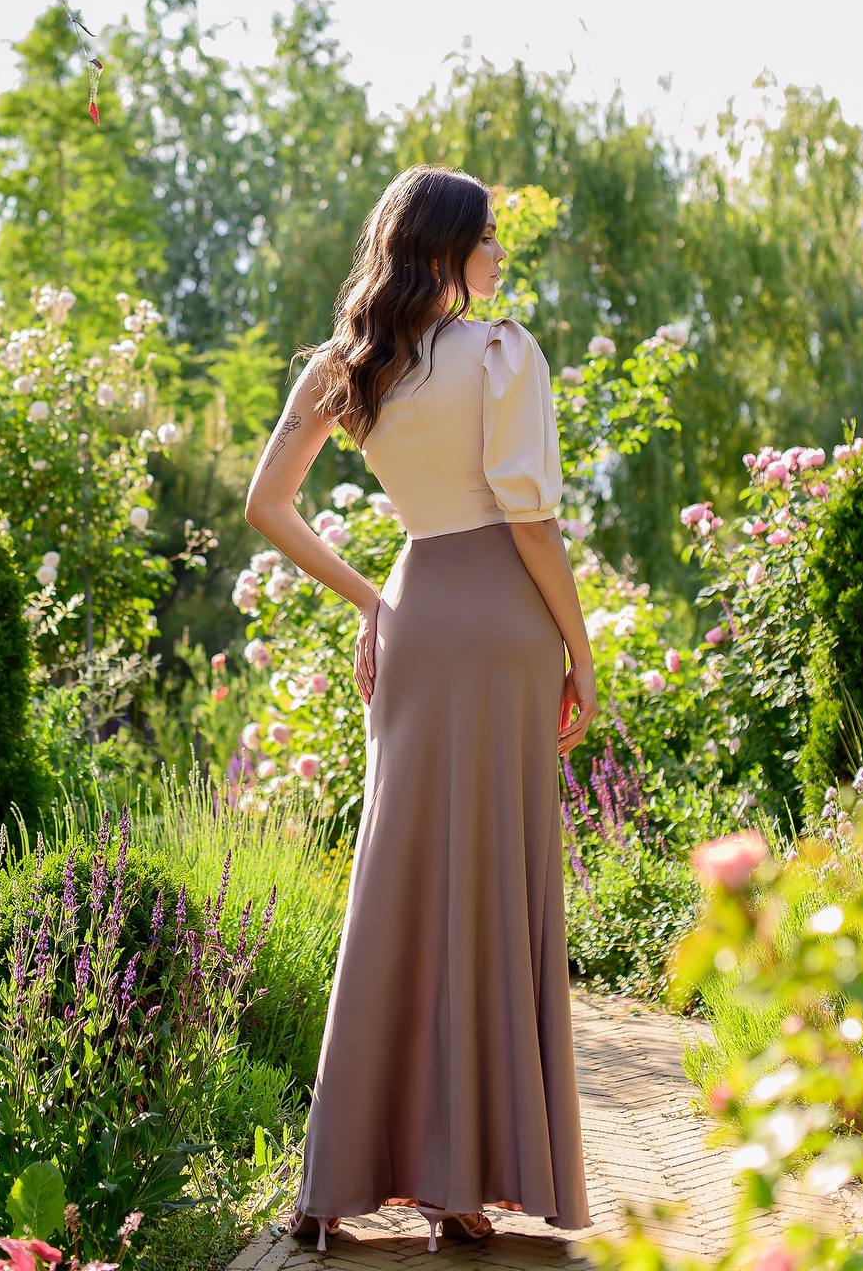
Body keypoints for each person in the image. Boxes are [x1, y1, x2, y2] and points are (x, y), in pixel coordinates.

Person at [243, 163, 598, 1255]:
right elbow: (531, 525)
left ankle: (331, 1183)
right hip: (502, 625)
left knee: (394, 880)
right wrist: (584, 655)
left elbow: (266, 505)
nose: (498, 255)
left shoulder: (351, 364)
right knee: (494, 883)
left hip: (415, 613)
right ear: (446, 248)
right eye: (487, 238)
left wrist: (373, 599)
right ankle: (460, 1187)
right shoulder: (501, 352)